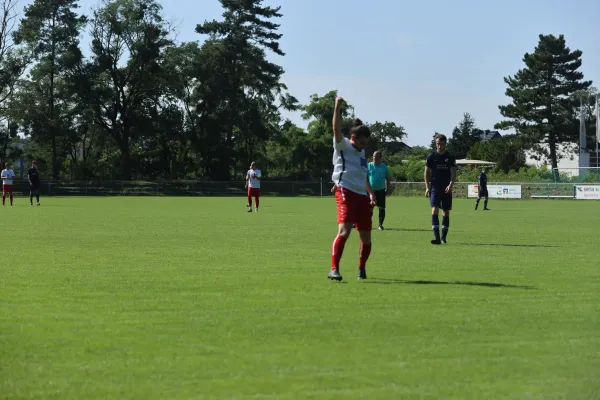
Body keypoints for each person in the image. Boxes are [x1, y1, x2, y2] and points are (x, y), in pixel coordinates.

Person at [329, 96, 376, 281]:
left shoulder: (361, 153)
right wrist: (337, 107)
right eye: (362, 143)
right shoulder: (343, 145)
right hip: (345, 192)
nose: (364, 147)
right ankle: (334, 269)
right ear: (354, 138)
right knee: (344, 232)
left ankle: (361, 268)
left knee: (366, 238)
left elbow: (362, 175)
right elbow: (335, 128)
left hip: (362, 197)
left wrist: (371, 193)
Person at [424, 134, 457, 244]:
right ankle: (437, 237)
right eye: (438, 144)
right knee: (434, 210)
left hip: (447, 189)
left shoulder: (450, 157)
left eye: (442, 144)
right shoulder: (431, 157)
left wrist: (451, 184)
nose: (440, 146)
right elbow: (426, 172)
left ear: (445, 144)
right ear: (435, 143)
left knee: (446, 212)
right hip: (435, 188)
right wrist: (427, 187)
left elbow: (453, 172)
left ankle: (444, 237)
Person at [368, 151, 391, 230]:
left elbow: (388, 179)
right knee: (369, 208)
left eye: (377, 157)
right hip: (370, 191)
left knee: (381, 208)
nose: (375, 158)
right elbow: (364, 178)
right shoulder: (369, 166)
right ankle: (368, 224)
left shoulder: (383, 167)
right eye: (374, 156)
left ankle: (380, 225)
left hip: (381, 191)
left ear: (380, 158)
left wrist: (387, 189)